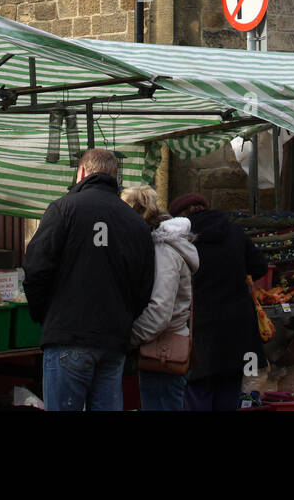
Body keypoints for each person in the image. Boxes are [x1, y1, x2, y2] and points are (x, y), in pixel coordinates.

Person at [23, 149, 155, 411]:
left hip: (68, 335)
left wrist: (44, 314)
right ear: (116, 177)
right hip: (113, 340)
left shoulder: (63, 209)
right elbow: (145, 286)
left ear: (82, 172)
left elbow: (35, 268)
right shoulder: (136, 223)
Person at [170, 193, 268, 411]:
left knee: (197, 393)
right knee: (230, 390)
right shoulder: (233, 230)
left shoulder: (181, 238)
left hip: (199, 328)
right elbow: (259, 267)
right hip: (237, 327)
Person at [121, 185, 198, 411]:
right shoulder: (160, 245)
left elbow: (160, 310)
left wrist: (129, 339)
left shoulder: (163, 249)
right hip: (160, 345)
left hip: (162, 349)